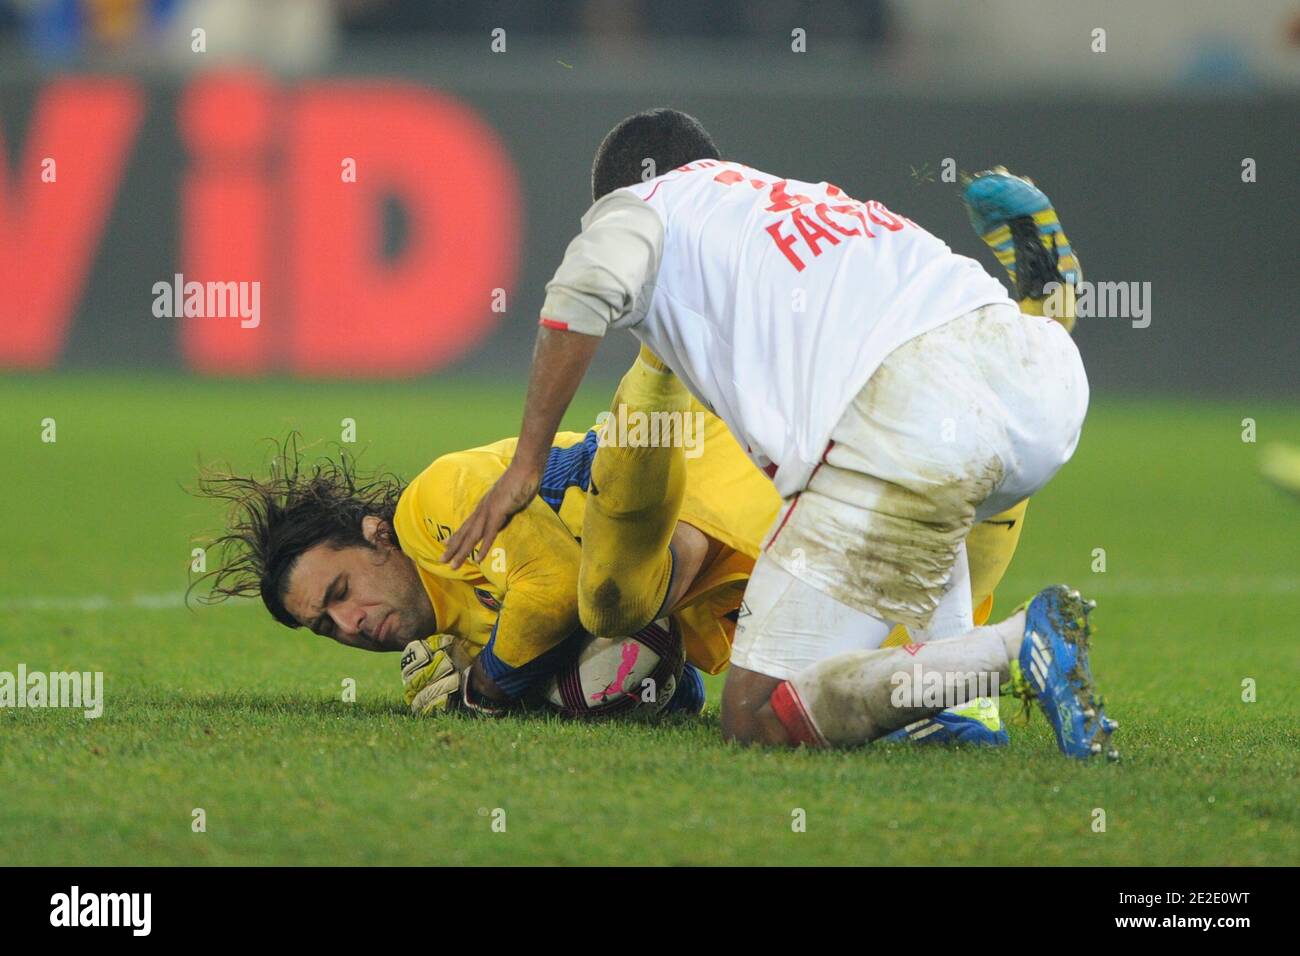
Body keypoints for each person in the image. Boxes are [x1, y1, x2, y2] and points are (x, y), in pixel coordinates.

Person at [441, 108, 1117, 758]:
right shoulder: (793, 196)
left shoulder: (642, 205)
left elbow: (580, 293)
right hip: (1039, 383)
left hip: (909, 410)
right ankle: (960, 702)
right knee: (935, 486)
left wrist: (527, 465)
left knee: (755, 712)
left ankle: (1018, 643)